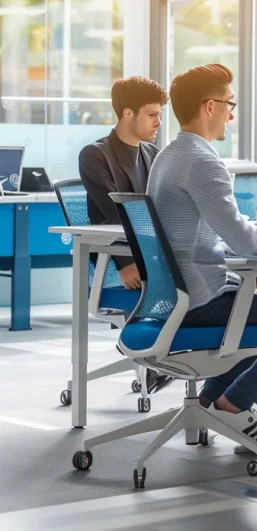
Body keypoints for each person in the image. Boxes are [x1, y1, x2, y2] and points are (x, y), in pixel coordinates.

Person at [148, 63, 257, 452]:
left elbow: (212, 229)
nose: (232, 113)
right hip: (202, 299)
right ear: (209, 106)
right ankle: (233, 405)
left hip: (176, 297)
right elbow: (245, 243)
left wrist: (249, 227)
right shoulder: (203, 161)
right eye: (230, 104)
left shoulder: (168, 156)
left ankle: (214, 402)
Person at [79, 77, 174, 396]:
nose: (159, 122)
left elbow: (161, 211)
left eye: (160, 114)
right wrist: (126, 262)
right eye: (152, 114)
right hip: (115, 265)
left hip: (153, 261)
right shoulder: (95, 154)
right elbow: (116, 213)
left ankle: (162, 356)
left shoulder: (153, 153)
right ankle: (155, 355)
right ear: (128, 113)